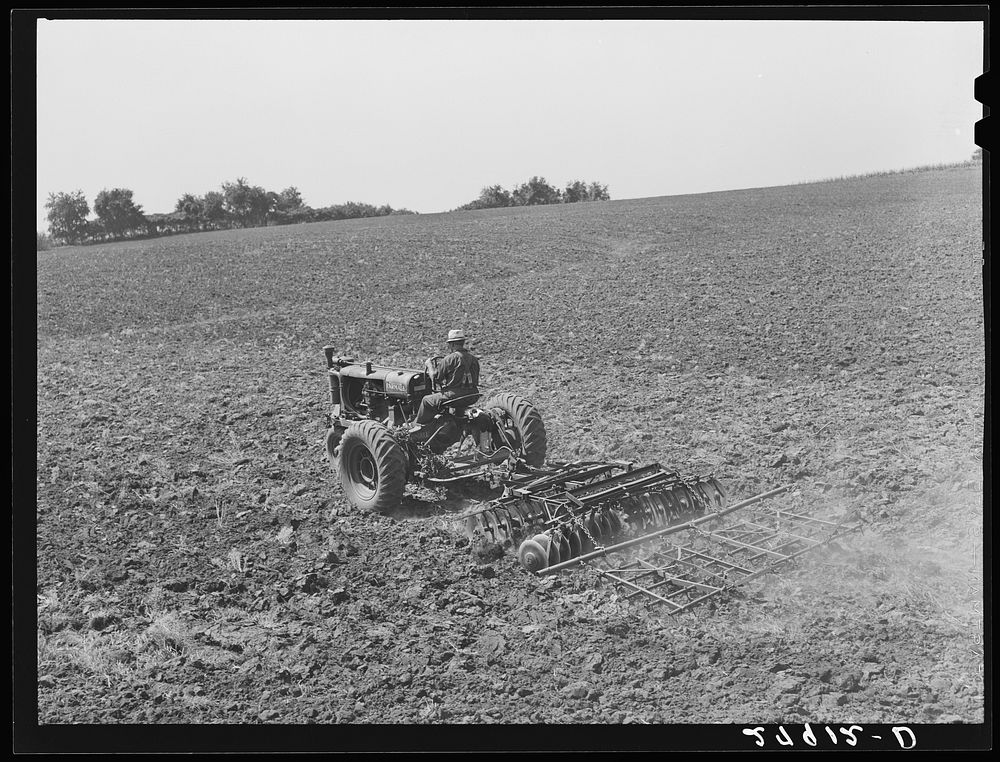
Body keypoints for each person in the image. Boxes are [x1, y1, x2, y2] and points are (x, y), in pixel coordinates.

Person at [412, 329, 480, 428]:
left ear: (452, 344)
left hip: (455, 396)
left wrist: (429, 365)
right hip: (473, 395)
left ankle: (418, 426)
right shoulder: (474, 359)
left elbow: (435, 378)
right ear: (462, 342)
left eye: (449, 345)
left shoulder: (449, 359)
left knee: (426, 400)